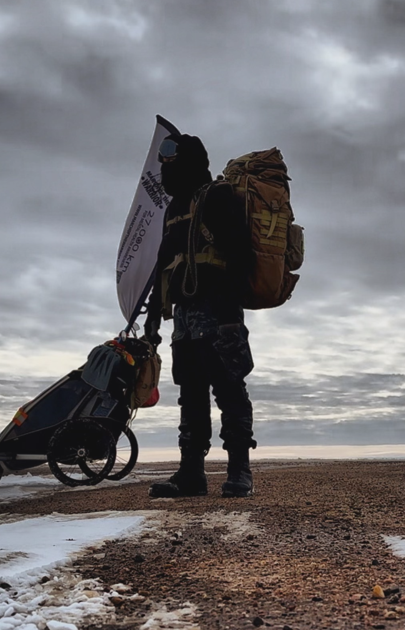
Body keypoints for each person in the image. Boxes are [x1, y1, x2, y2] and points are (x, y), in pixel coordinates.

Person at [142, 132, 257, 498]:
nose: (165, 173)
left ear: (190, 162)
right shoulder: (174, 209)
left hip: (219, 314)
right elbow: (163, 263)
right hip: (185, 321)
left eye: (171, 165)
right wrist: (153, 318)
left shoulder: (219, 196)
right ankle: (191, 473)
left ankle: (240, 470)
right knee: (190, 396)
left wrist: (229, 320)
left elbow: (239, 256)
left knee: (229, 391)